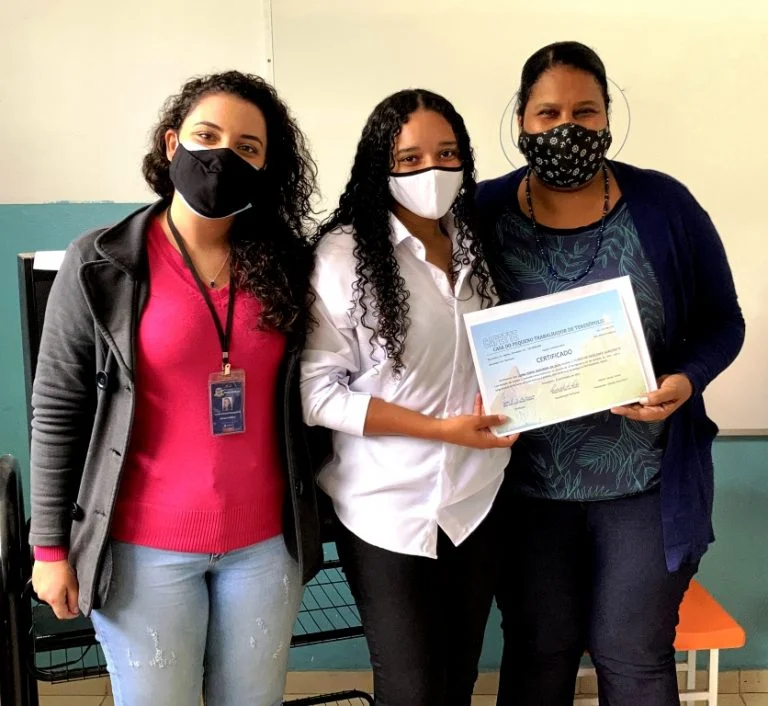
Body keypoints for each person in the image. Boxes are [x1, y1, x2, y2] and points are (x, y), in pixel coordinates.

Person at [29, 71, 322, 706]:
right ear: (171, 144)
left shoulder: (288, 265)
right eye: (206, 136)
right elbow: (57, 409)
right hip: (141, 550)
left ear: (265, 166)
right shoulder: (99, 262)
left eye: (247, 147)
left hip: (265, 548)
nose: (222, 157)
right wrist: (49, 547)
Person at [476, 42, 745, 706]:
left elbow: (724, 320)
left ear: (608, 117)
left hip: (645, 484)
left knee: (634, 654)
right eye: (548, 112)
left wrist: (685, 379)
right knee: (539, 649)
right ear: (521, 119)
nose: (567, 127)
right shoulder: (480, 214)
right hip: (526, 488)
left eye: (585, 111)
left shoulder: (664, 205)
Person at [300, 89, 517, 706]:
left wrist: (522, 402)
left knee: (457, 680)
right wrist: (439, 430)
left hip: (476, 500)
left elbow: (494, 354)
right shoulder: (343, 256)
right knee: (412, 691)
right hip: (385, 511)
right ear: (381, 166)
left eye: (447, 154)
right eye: (410, 158)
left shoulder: (479, 243)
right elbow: (317, 395)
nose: (432, 171)